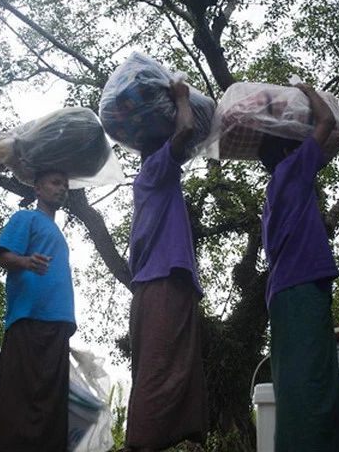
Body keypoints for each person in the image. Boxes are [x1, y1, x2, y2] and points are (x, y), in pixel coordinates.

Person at [258, 83, 339, 451]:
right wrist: (307, 90)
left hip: (284, 293)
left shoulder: (275, 190)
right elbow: (326, 121)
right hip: (300, 289)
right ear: (287, 150)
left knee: (296, 380)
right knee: (313, 379)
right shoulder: (293, 169)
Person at [125, 80, 208, 452]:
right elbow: (188, 130)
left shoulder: (153, 180)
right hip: (162, 282)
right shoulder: (157, 169)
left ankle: (151, 442)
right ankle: (139, 444)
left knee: (165, 366)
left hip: (160, 282)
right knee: (160, 369)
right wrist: (181, 98)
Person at [0, 168, 75, 452]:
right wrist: (27, 262)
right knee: (21, 394)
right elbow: (5, 256)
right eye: (56, 182)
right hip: (30, 316)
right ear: (37, 188)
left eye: (66, 185)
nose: (62, 189)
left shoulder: (57, 230)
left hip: (59, 320)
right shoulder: (26, 218)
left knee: (51, 401)